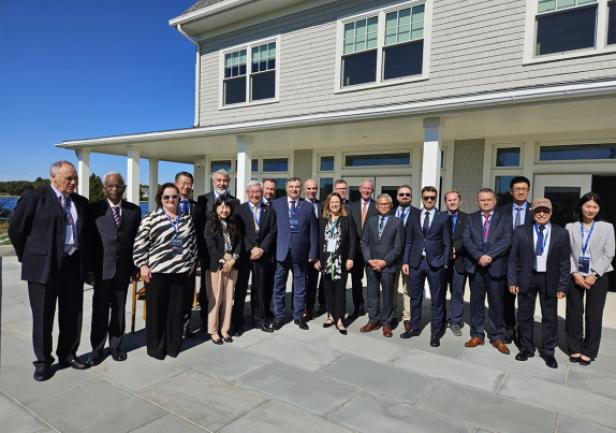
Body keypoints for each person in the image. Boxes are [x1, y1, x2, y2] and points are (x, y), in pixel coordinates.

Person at [9, 160, 91, 381]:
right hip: (43, 268)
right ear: (53, 177)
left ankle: (68, 354)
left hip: (72, 265)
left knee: (72, 314)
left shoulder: (80, 203)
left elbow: (86, 236)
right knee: (43, 317)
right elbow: (16, 229)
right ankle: (43, 361)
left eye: (75, 178)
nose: (73, 182)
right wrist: (28, 256)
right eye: (68, 178)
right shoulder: (35, 197)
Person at [133, 183, 197, 359]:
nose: (171, 200)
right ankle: (156, 347)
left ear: (179, 198)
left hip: (180, 272)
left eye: (174, 196)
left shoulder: (186, 219)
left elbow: (192, 243)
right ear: (160, 199)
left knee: (176, 312)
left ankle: (173, 345)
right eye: (166, 197)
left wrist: (192, 263)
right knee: (156, 312)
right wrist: (142, 265)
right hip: (157, 273)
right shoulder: (150, 218)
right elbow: (139, 244)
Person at [508, 198, 570, 368]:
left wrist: (563, 285)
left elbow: (565, 261)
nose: (541, 214)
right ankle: (526, 348)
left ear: (551, 212)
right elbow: (513, 258)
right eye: (538, 211)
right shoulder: (521, 231)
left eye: (545, 211)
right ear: (532, 212)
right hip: (527, 277)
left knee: (549, 316)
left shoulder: (561, 233)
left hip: (549, 279)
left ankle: (548, 351)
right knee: (524, 315)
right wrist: (512, 279)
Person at [88, 172, 141, 364]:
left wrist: (136, 267)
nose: (114, 189)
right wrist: (89, 270)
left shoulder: (134, 210)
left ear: (124, 188)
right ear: (104, 189)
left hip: (123, 270)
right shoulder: (94, 210)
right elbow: (88, 241)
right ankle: (97, 349)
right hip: (101, 270)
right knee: (100, 310)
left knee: (119, 309)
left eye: (118, 186)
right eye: (110, 186)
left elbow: (137, 241)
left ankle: (116, 346)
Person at [565, 192, 615, 365]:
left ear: (599, 209)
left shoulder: (607, 227)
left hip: (598, 276)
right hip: (575, 275)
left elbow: (609, 254)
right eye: (588, 206)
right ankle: (575, 347)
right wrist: (575, 273)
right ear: (581, 206)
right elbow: (566, 252)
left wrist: (594, 274)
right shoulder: (570, 227)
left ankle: (589, 350)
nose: (591, 210)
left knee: (594, 315)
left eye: (595, 207)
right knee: (574, 313)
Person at [463, 188, 512, 355]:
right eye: (482, 200)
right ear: (477, 202)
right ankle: (477, 334)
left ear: (494, 201)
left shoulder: (505, 218)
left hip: (495, 266)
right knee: (476, 303)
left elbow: (507, 240)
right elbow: (467, 239)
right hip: (476, 267)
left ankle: (496, 336)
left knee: (496, 304)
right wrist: (479, 256)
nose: (485, 202)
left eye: (488, 199)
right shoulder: (470, 218)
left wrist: (489, 255)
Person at [401, 186, 451, 347]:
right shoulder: (414, 215)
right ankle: (414, 327)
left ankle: (436, 333)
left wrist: (444, 263)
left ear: (436, 199)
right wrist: (405, 261)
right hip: (416, 263)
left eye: (432, 198)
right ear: (422, 198)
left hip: (436, 264)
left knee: (437, 300)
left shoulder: (443, 217)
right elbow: (409, 240)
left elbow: (447, 243)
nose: (429, 200)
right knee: (415, 298)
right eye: (426, 197)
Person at [271, 177, 318, 330]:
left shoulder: (308, 206)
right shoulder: (276, 204)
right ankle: (279, 316)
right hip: (281, 253)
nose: (294, 189)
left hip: (301, 254)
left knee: (300, 287)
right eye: (291, 186)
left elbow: (313, 232)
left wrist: (313, 252)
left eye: (297, 186)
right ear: (286, 188)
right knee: (278, 286)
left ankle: (298, 316)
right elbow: (271, 229)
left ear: (301, 189)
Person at [196, 169, 240, 332]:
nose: (222, 183)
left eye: (225, 180)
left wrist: (233, 258)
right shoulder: (203, 199)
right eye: (219, 180)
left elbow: (237, 234)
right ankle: (206, 323)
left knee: (227, 294)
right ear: (213, 181)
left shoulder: (235, 201)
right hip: (209, 254)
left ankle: (224, 325)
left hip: (229, 257)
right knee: (208, 292)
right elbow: (200, 227)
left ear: (229, 182)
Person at [234, 181, 277, 334]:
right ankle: (237, 322)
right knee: (241, 289)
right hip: (245, 255)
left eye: (257, 192)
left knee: (259, 288)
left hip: (262, 255)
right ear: (247, 193)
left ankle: (259, 319)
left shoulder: (269, 210)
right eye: (252, 192)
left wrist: (261, 249)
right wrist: (251, 248)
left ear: (262, 192)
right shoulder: (240, 209)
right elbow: (239, 232)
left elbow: (272, 231)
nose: (255, 195)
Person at [360, 194, 404, 338]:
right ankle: (373, 320)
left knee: (387, 296)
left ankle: (386, 323)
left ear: (390, 205)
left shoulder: (397, 222)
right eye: (381, 204)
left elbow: (398, 247)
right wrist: (369, 260)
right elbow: (364, 242)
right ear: (377, 205)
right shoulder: (371, 221)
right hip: (371, 265)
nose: (383, 206)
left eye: (386, 204)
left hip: (388, 266)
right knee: (372, 294)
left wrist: (385, 262)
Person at [497, 175, 532, 344]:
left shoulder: (536, 211)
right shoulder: (501, 210)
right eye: (517, 189)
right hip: (505, 260)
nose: (520, 192)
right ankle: (508, 329)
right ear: (511, 191)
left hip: (527, 263)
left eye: (524, 189)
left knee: (525, 299)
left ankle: (523, 333)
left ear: (528, 191)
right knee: (507, 298)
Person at [314, 193, 356, 335]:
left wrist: (350, 258)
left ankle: (340, 320)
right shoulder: (322, 220)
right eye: (332, 202)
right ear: (328, 204)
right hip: (326, 259)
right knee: (328, 290)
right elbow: (318, 241)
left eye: (337, 202)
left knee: (339, 291)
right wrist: (317, 259)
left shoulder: (347, 219)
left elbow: (352, 241)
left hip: (340, 260)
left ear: (341, 204)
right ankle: (331, 316)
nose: (334, 204)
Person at [204, 197, 242, 344]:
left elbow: (239, 242)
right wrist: (221, 260)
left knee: (228, 299)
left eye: (227, 207)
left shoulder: (234, 222)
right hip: (216, 265)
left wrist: (233, 260)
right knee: (215, 299)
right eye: (221, 206)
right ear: (216, 208)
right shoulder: (211, 223)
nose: (224, 209)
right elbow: (210, 244)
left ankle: (225, 329)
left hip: (232, 264)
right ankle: (213, 331)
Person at [175, 171, 202, 338]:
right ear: (176, 184)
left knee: (187, 293)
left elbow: (200, 232)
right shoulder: (168, 203)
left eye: (189, 183)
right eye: (183, 183)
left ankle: (185, 327)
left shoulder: (196, 207)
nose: (186, 186)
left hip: (191, 258)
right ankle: (173, 328)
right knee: (174, 294)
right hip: (172, 258)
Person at [348, 179, 378, 317]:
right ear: (360, 189)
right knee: (356, 280)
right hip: (356, 251)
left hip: (372, 251)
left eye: (369, 188)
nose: (366, 191)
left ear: (372, 190)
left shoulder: (377, 206)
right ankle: (358, 307)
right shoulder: (351, 206)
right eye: (364, 188)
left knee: (373, 281)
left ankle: (373, 310)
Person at [392, 185, 419, 332]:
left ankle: (407, 317)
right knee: (392, 288)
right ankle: (393, 314)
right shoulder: (390, 212)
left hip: (409, 258)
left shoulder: (418, 214)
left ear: (411, 197)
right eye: (401, 194)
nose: (404, 196)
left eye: (407, 194)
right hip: (391, 257)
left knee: (408, 289)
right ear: (397, 196)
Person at [443, 190, 468, 336]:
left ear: (460, 201)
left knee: (457, 292)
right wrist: (446, 249)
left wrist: (455, 248)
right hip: (441, 261)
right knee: (440, 292)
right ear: (445, 202)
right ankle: (440, 319)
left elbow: (468, 236)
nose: (452, 202)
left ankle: (455, 321)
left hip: (459, 261)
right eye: (449, 200)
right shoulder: (439, 217)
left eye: (455, 200)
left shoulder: (467, 218)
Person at [303, 178, 324, 318]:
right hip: (301, 250)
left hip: (317, 251)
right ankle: (298, 308)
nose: (312, 191)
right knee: (299, 282)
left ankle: (309, 308)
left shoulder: (322, 206)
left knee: (312, 282)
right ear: (305, 190)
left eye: (314, 188)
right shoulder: (298, 205)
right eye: (309, 188)